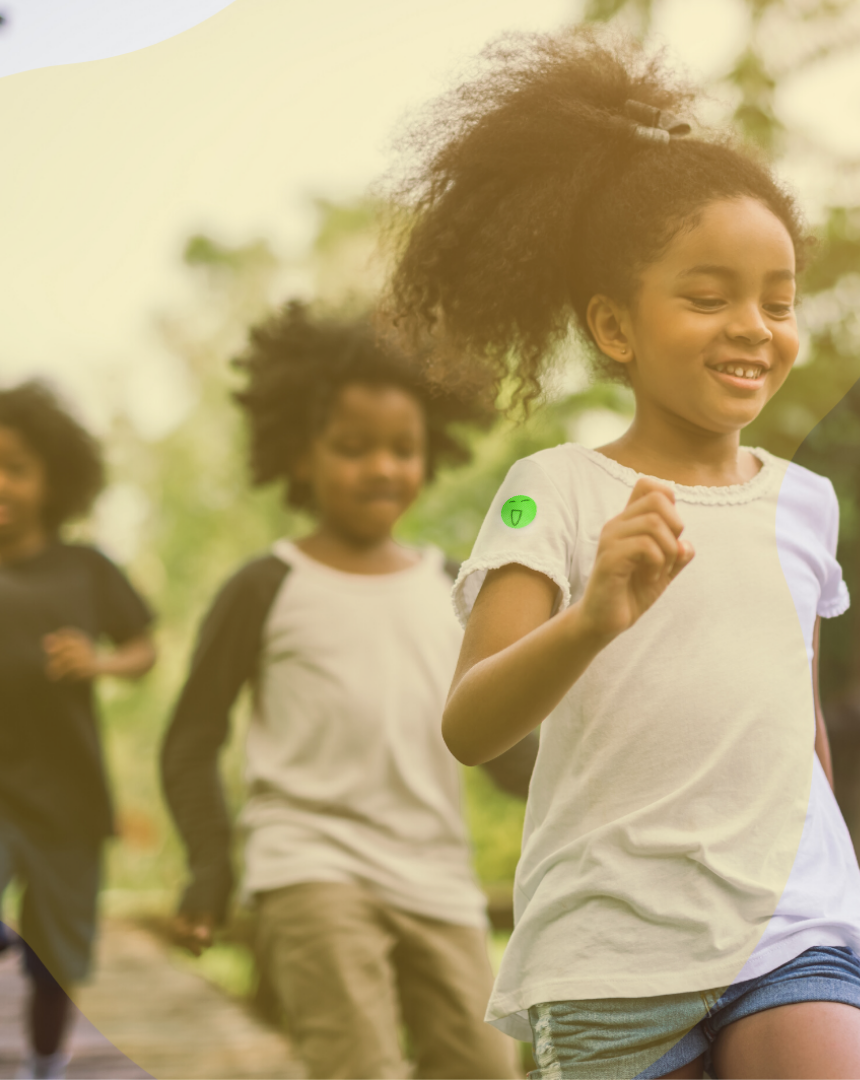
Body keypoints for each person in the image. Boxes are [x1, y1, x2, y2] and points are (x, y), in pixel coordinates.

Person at [385, 29, 860, 1080]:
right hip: (613, 955)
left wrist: (852, 915)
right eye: (708, 297)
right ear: (615, 326)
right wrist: (592, 618)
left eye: (779, 299)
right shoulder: (556, 493)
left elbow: (798, 733)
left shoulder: (807, 505)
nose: (752, 327)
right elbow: (472, 724)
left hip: (792, 933)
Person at [160, 303, 529, 1080]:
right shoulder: (265, 586)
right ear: (300, 455)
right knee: (356, 1065)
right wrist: (209, 865)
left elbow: (498, 746)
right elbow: (191, 738)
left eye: (403, 449)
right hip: (310, 864)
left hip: (436, 872)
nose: (382, 468)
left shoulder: (454, 587)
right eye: (353, 448)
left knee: (489, 1067)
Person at [0, 381, 156, 1080]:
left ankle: (43, 1063)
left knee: (55, 957)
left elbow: (145, 647)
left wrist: (99, 662)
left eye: (15, 467)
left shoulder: (86, 568)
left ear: (54, 480)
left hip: (67, 793)